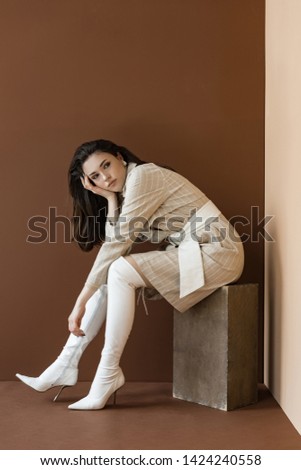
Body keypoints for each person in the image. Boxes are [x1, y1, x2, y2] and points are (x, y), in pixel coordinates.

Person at [16, 139, 244, 411]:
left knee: (119, 268)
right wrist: (111, 198)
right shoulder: (127, 191)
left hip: (220, 251)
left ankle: (107, 372)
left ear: (119, 157)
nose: (106, 176)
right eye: (95, 176)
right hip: (196, 251)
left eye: (106, 165)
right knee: (112, 272)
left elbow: (118, 243)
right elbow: (117, 240)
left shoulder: (145, 176)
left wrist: (79, 302)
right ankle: (65, 363)